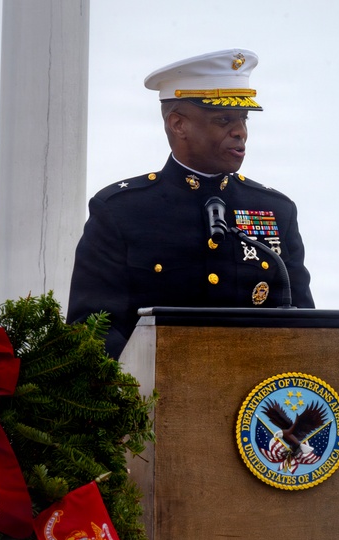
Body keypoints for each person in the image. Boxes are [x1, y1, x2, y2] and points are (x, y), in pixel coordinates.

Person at [67, 48, 314, 358]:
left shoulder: (277, 211)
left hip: (257, 399)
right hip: (151, 399)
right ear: (178, 125)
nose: (240, 132)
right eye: (224, 120)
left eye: (243, 119)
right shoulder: (120, 210)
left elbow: (305, 325)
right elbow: (91, 329)